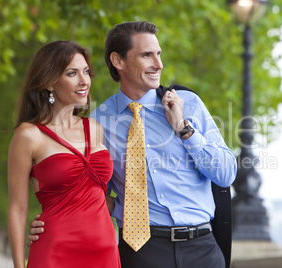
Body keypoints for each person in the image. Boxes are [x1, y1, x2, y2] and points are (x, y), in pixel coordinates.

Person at [28, 21, 237, 268]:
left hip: (203, 249)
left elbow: (225, 174)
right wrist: (52, 220)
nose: (158, 64)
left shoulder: (188, 103)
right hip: (141, 251)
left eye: (158, 54)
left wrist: (183, 128)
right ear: (118, 61)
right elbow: (86, 192)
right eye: (147, 55)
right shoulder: (97, 123)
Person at [7, 40, 121, 268]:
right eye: (72, 73)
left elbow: (95, 196)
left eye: (86, 72)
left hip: (105, 252)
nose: (84, 81)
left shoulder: (95, 129)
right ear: (49, 82)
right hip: (56, 253)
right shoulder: (29, 135)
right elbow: (18, 209)